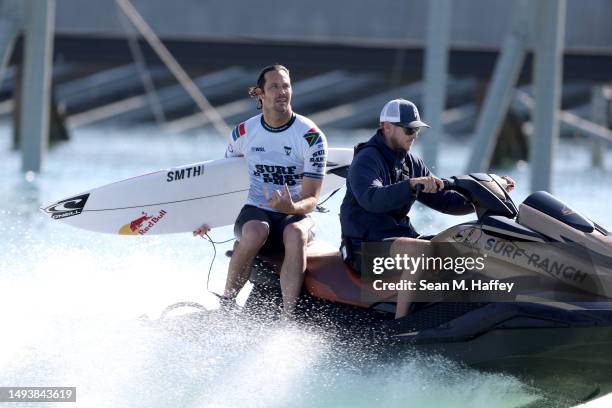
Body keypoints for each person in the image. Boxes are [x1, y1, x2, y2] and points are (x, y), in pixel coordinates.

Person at [339, 98, 515, 318]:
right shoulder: (366, 159)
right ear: (387, 127)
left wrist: (490, 196)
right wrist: (410, 185)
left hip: (397, 242)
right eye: (408, 130)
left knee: (463, 243)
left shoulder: (412, 163)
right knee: (420, 250)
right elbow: (371, 199)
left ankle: (471, 311)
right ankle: (400, 325)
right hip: (363, 249)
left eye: (417, 130)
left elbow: (448, 202)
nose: (414, 135)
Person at [194, 64, 328, 319]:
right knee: (256, 231)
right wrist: (206, 219)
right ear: (260, 94)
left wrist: (292, 208)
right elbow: (226, 183)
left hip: (296, 214)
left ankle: (289, 317)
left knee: (296, 233)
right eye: (274, 87)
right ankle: (226, 305)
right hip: (256, 211)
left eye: (286, 86)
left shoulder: (310, 136)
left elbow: (312, 199)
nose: (282, 92)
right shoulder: (243, 132)